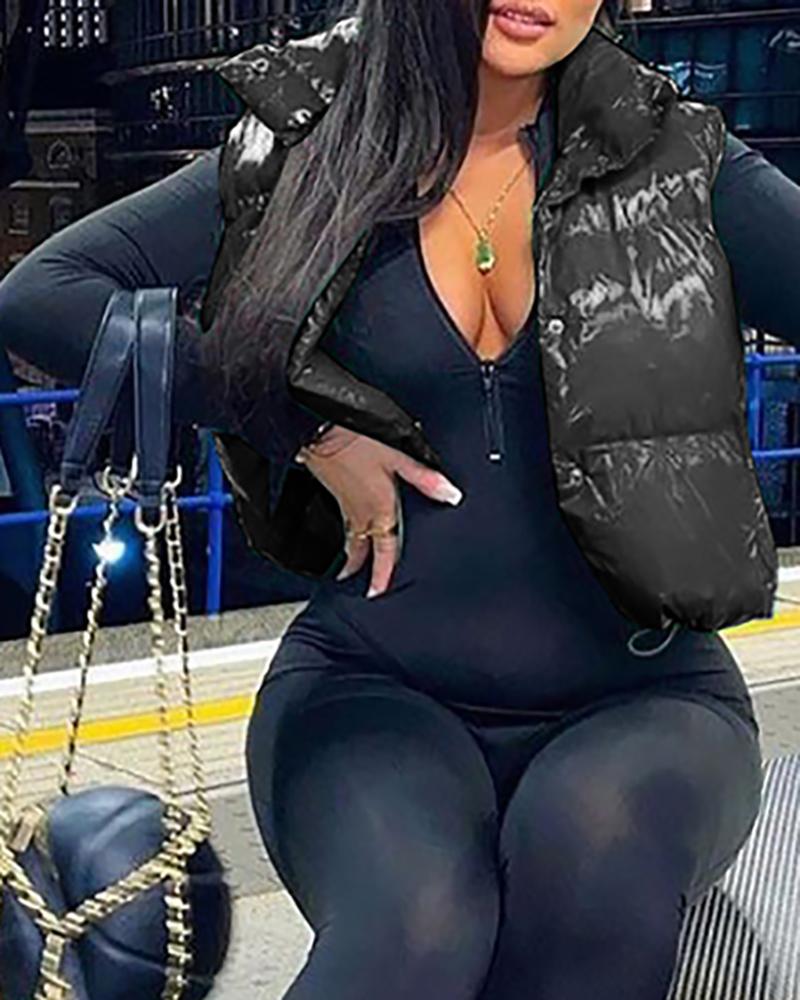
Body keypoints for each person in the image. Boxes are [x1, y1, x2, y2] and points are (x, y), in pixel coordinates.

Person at [2, 0, 799, 996]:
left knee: (588, 870)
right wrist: (302, 423)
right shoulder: (310, 146)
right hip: (370, 691)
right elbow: (43, 292)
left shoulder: (674, 157)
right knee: (414, 929)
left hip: (647, 695)